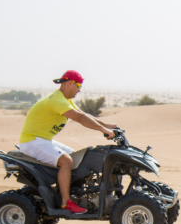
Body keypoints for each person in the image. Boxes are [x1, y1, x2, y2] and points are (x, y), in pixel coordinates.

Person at [18, 70, 118, 214]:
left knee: (77, 157)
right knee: (66, 161)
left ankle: (76, 194)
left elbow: (84, 115)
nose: (79, 91)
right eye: (79, 86)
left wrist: (106, 125)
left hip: (42, 140)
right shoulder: (56, 101)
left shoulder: (65, 100)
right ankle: (66, 203)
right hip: (32, 141)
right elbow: (80, 118)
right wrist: (102, 129)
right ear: (70, 83)